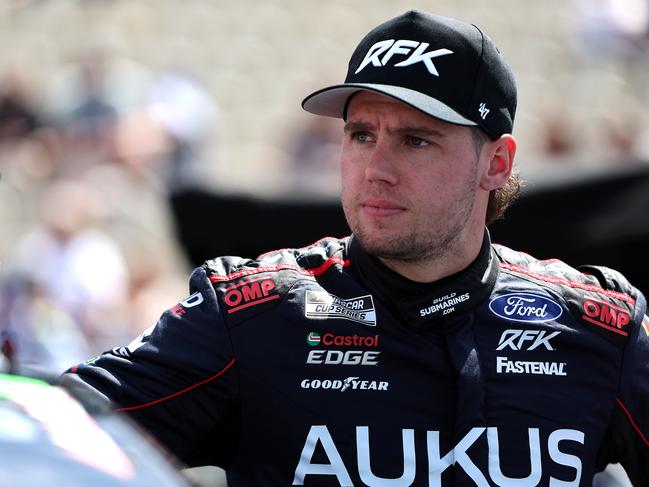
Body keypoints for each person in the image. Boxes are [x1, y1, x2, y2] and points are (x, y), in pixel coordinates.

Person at [61, 10, 649, 486]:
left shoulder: (601, 329)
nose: (376, 169)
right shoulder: (250, 315)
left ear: (496, 162)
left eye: (416, 140)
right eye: (361, 135)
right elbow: (53, 427)